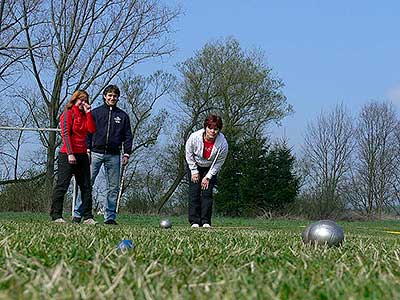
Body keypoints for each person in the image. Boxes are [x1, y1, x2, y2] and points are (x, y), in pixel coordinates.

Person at [73, 85, 132, 225]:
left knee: (113, 187)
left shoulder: (123, 116)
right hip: (95, 153)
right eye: (109, 95)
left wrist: (127, 153)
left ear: (118, 98)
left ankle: (110, 217)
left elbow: (128, 136)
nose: (112, 98)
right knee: (87, 184)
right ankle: (77, 214)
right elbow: (88, 131)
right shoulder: (95, 113)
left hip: (114, 155)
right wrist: (87, 149)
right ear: (105, 96)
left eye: (115, 96)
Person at [50, 90, 97, 224]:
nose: (83, 102)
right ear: (75, 100)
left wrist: (88, 113)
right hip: (67, 154)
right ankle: (56, 215)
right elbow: (65, 134)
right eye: (81, 100)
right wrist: (70, 153)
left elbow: (92, 130)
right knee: (62, 185)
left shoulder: (85, 115)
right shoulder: (68, 113)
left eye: (86, 100)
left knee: (86, 186)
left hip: (82, 154)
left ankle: (88, 216)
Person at [185, 113, 229, 228]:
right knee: (194, 192)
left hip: (210, 167)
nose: (213, 131)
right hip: (195, 164)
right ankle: (194, 221)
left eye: (216, 129)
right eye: (210, 128)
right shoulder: (194, 137)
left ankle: (205, 221)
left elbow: (219, 162)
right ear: (206, 127)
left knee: (207, 193)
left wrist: (208, 176)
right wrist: (194, 171)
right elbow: (188, 154)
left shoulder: (223, 143)